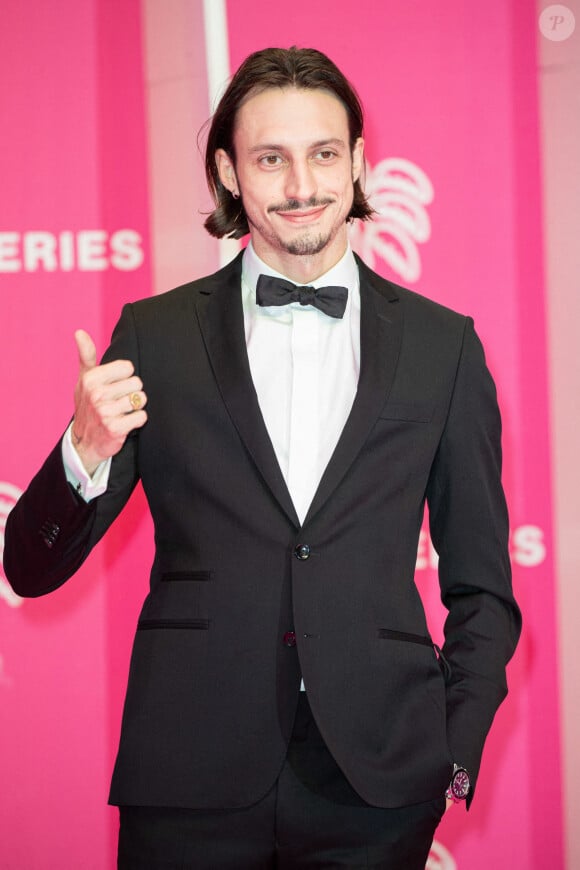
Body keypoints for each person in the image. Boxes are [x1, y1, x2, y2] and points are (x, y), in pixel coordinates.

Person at [4, 46, 521, 869]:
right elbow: (27, 568)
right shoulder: (156, 337)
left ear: (356, 161)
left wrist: (448, 756)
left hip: (379, 784)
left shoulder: (442, 347)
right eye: (270, 159)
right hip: (189, 778)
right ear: (228, 173)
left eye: (323, 154)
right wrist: (83, 450)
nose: (301, 185)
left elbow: (484, 589)